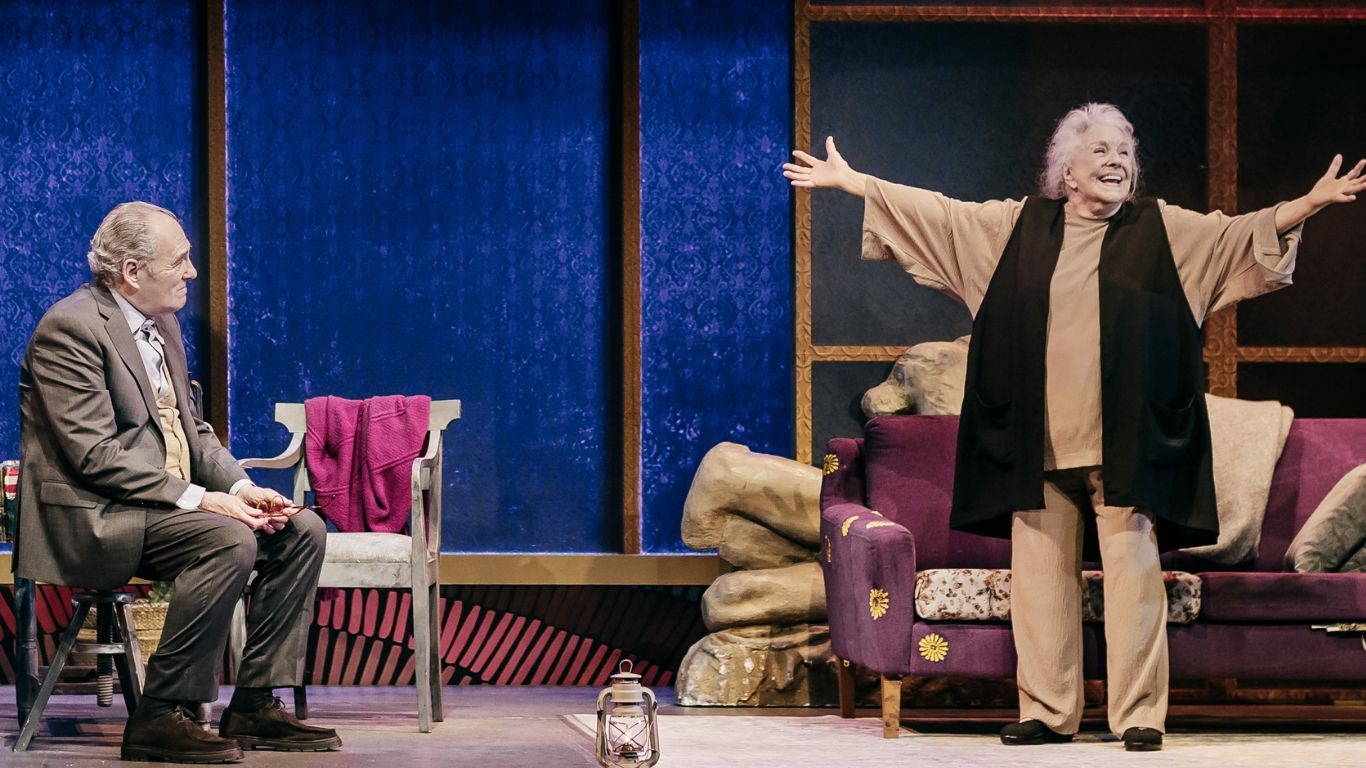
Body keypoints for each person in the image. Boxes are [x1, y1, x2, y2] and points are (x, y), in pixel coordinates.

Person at [783, 103, 1365, 751]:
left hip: (1127, 440)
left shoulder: (1162, 228)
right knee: (1039, 579)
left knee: (1134, 576)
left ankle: (1139, 714)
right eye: (1101, 151)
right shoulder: (1018, 227)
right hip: (1034, 437)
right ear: (1067, 170)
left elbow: (1239, 235)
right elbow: (939, 215)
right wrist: (855, 182)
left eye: (1125, 152)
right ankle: (1047, 710)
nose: (1117, 162)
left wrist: (1310, 203)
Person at [16, 201, 343, 763]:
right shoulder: (69, 329)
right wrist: (202, 499)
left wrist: (239, 489)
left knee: (300, 529)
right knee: (227, 538)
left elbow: (192, 430)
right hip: (100, 517)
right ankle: (161, 714)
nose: (191, 272)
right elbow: (94, 455)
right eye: (180, 260)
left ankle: (255, 703)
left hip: (165, 511)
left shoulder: (161, 324)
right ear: (132, 271)